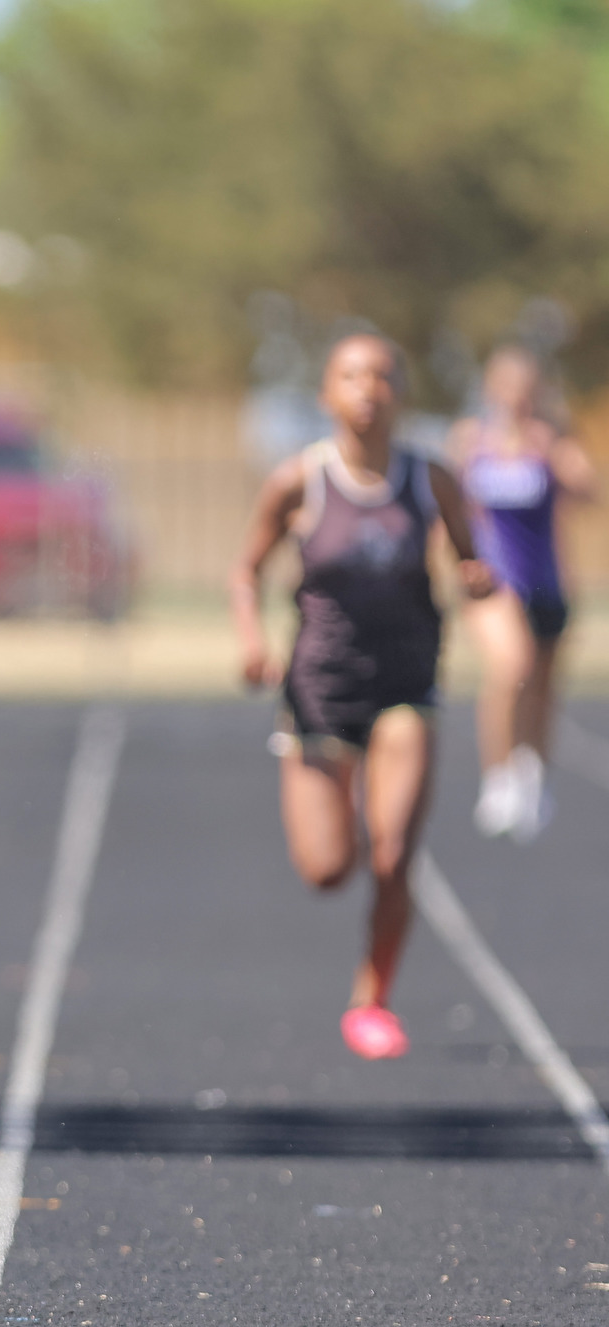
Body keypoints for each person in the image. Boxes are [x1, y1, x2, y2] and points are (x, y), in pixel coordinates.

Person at [231, 332, 492, 1061]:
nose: (368, 389)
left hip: (407, 684)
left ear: (401, 393)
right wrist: (252, 640)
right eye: (351, 376)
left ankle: (372, 999)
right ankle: (333, 802)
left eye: (382, 375)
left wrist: (477, 579)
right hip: (321, 690)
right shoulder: (298, 482)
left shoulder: (429, 479)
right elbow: (244, 570)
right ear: (327, 394)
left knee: (395, 851)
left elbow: (472, 559)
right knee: (326, 869)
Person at [448, 344, 595, 842]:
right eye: (507, 387)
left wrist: (556, 451)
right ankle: (499, 775)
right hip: (494, 582)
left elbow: (589, 491)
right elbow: (448, 506)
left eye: (526, 389)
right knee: (512, 666)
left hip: (547, 581)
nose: (516, 398)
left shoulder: (550, 441)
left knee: (542, 686)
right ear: (492, 390)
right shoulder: (472, 440)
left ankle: (532, 773)